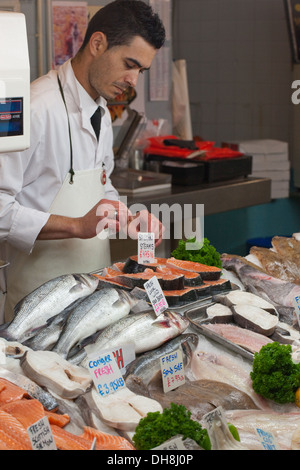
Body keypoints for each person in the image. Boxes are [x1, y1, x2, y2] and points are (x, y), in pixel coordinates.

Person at [0, 0, 166, 322]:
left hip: (93, 298)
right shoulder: (31, 108)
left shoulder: (101, 111)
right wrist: (76, 226)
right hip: (36, 305)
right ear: (98, 43)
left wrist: (127, 219)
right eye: (129, 64)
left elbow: (101, 189)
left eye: (141, 71)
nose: (133, 80)